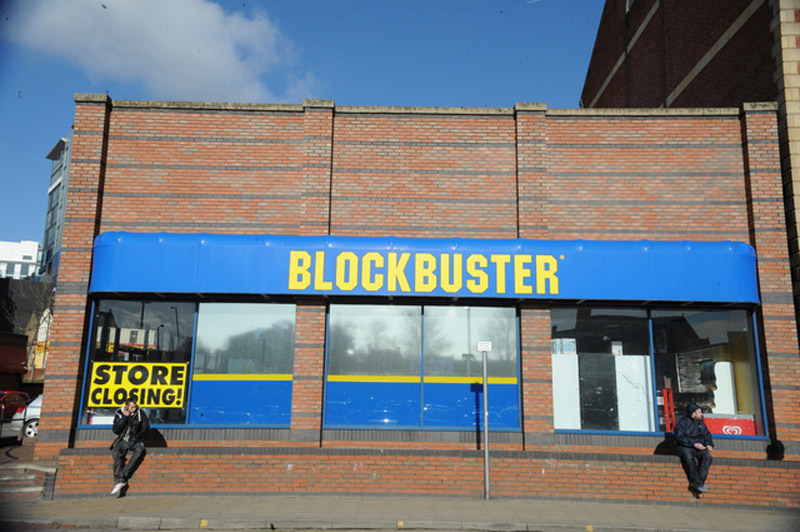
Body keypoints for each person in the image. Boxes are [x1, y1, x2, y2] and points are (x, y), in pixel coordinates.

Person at [110, 397, 149, 496]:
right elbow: (116, 430)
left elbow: (145, 427)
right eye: (132, 407)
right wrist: (125, 417)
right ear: (127, 406)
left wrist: (136, 437)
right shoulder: (119, 413)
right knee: (116, 452)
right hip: (123, 439)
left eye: (135, 406)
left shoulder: (140, 413)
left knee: (140, 451)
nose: (134, 409)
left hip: (135, 439)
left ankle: (123, 475)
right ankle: (120, 481)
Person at [674, 402, 714, 495]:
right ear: (693, 414)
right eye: (699, 412)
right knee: (688, 458)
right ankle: (697, 483)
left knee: (707, 457)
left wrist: (708, 444)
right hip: (684, 446)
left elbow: (707, 435)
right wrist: (693, 444)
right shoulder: (682, 422)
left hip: (698, 447)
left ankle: (697, 483)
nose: (701, 414)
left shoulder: (701, 424)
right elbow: (679, 437)